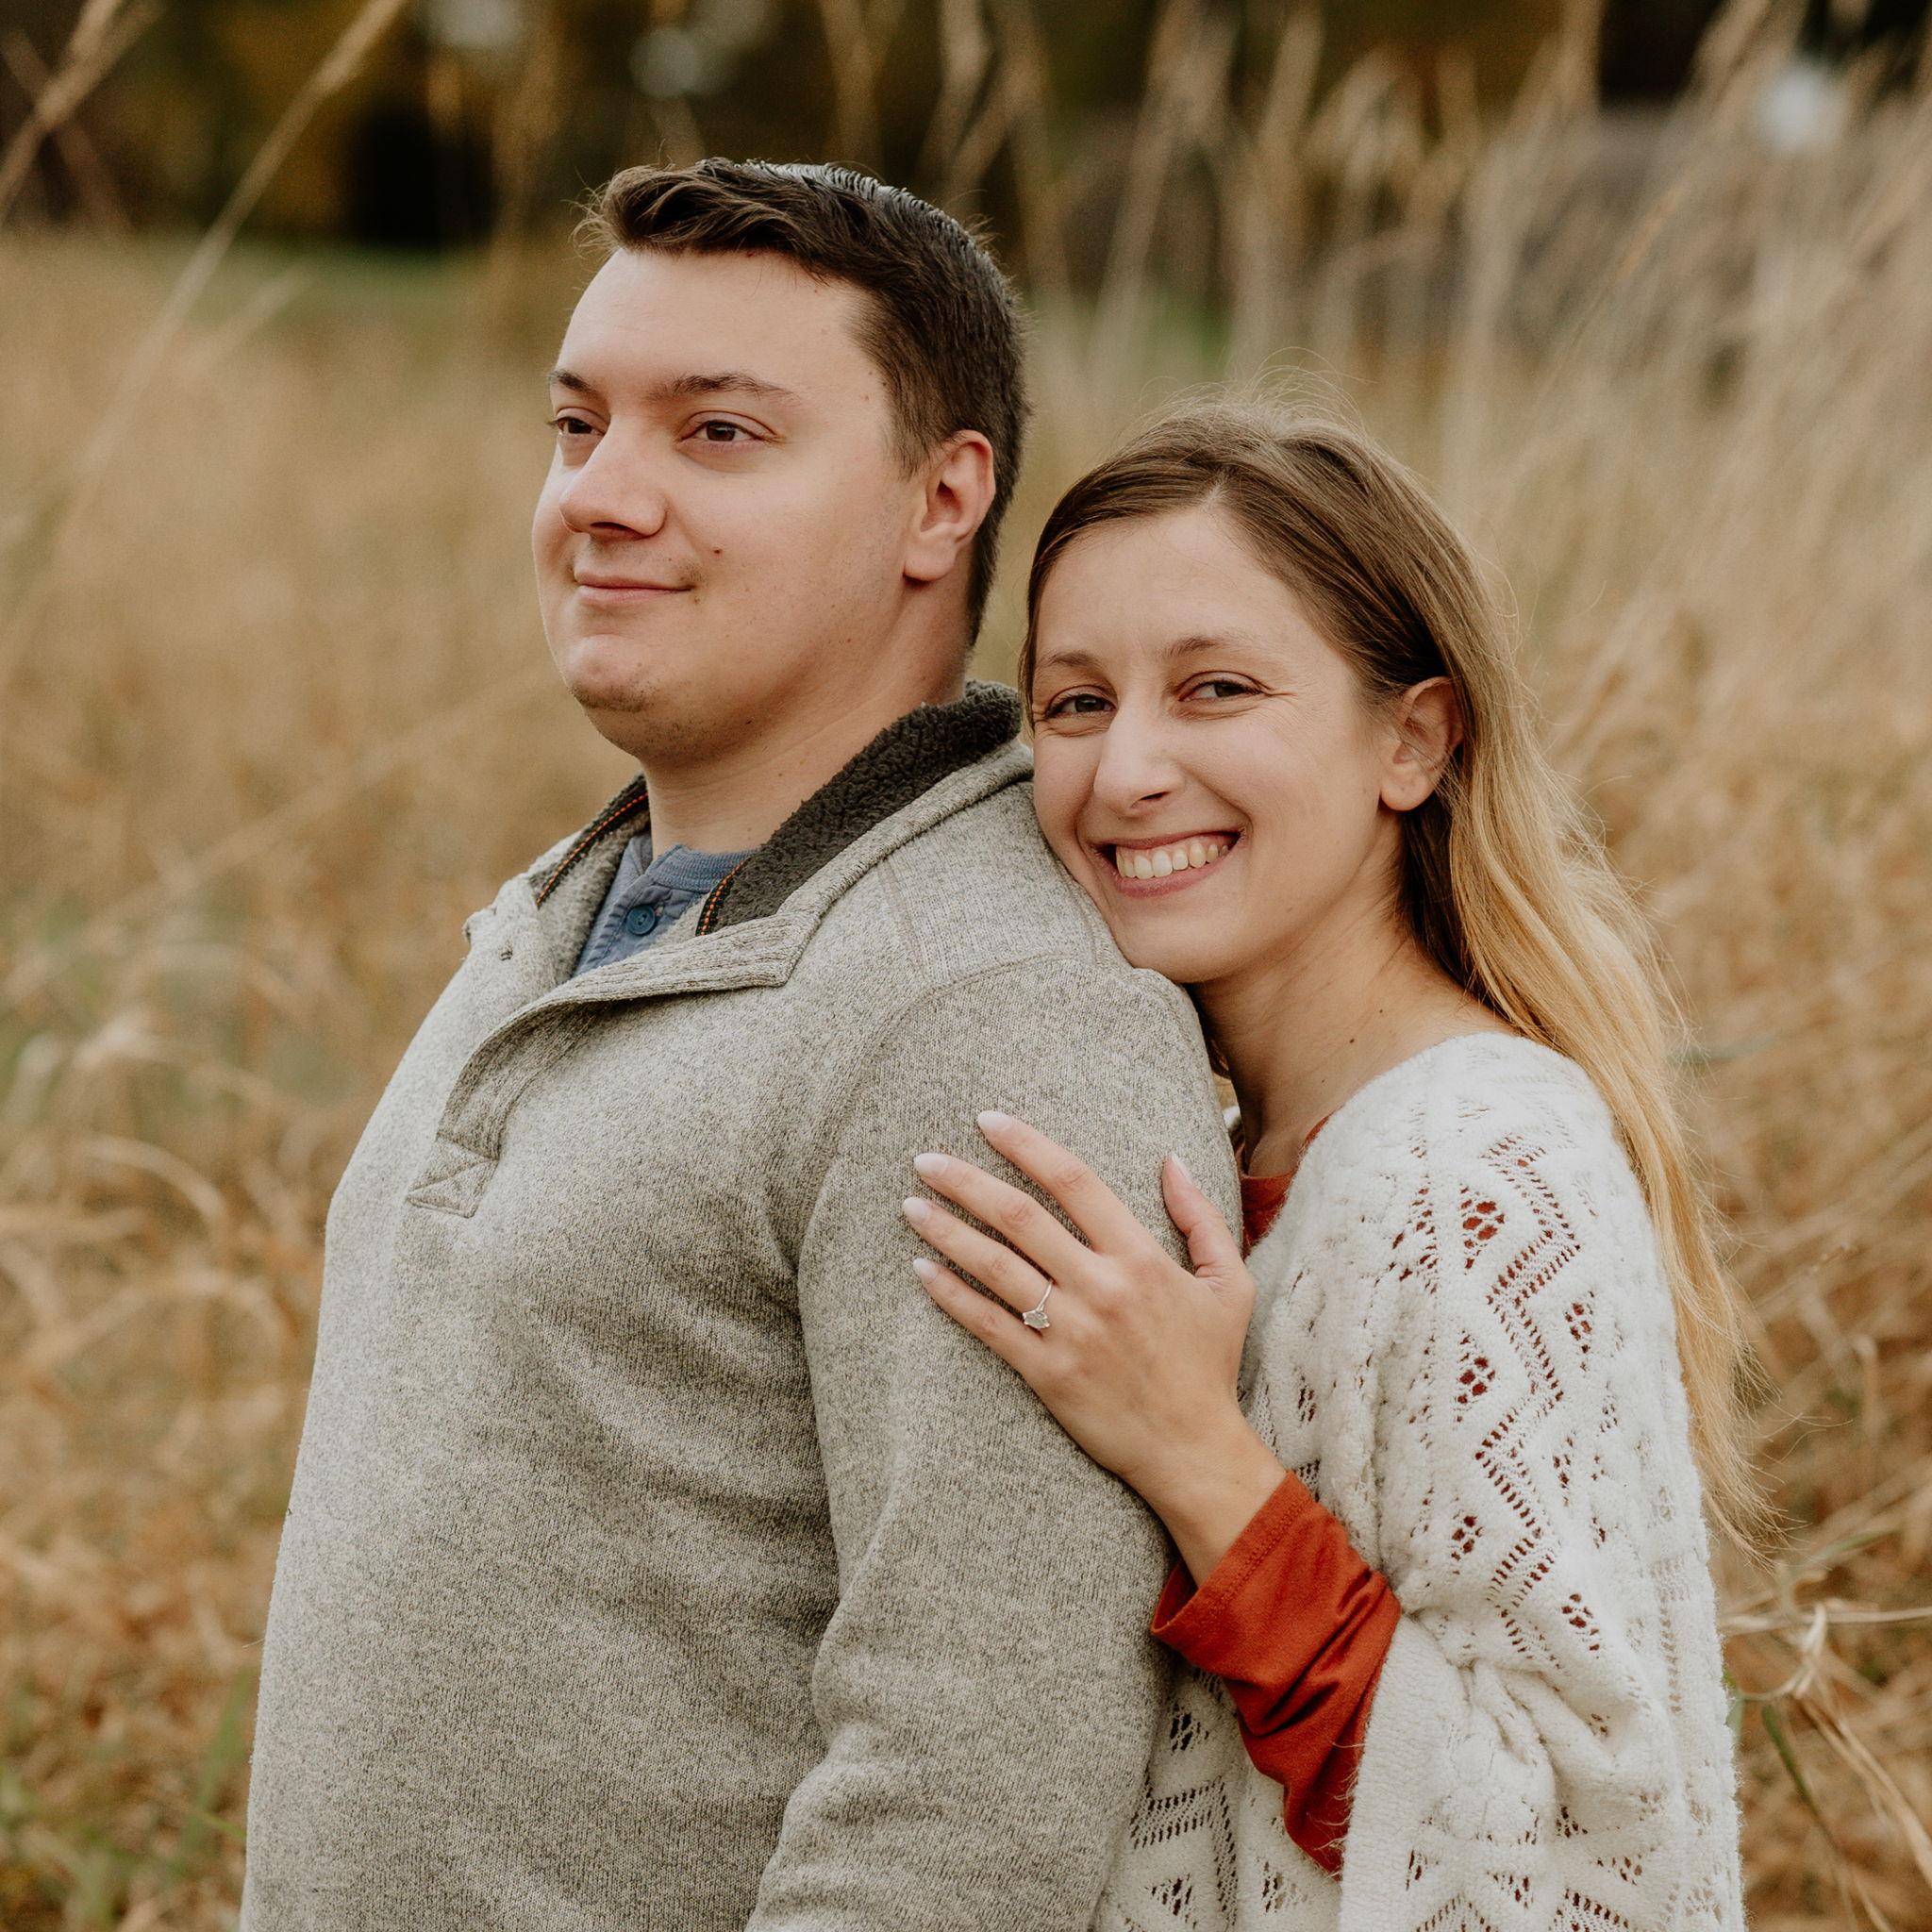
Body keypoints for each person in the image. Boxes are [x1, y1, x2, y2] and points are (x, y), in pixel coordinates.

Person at [239, 160, 1241, 1930]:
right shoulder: (576, 908)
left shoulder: (983, 1015)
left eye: (717, 433)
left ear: (942, 500)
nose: (601, 496)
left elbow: (970, 1792)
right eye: (577, 424)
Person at [905, 401, 1752, 1928]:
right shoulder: (1249, 1147)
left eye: (1216, 689)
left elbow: (1563, 1859)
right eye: (1075, 703)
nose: (1127, 770)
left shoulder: (1471, 1173)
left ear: (1411, 740)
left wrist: (1196, 1456)